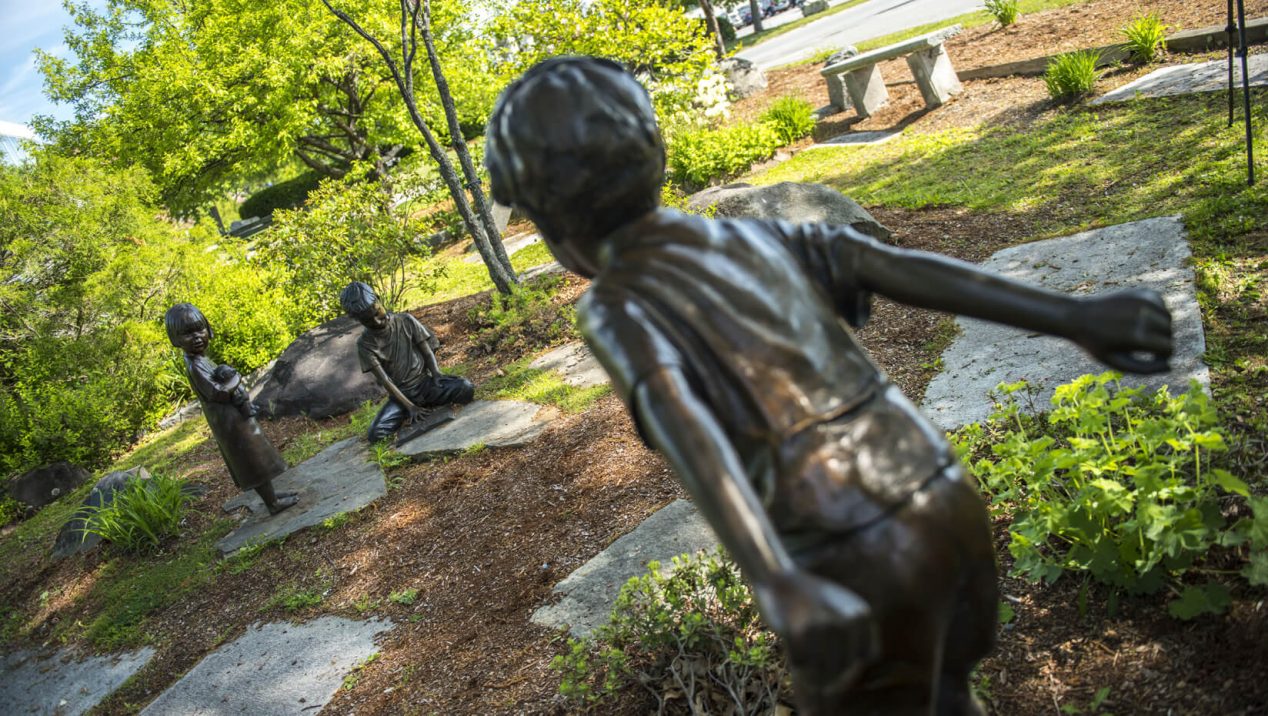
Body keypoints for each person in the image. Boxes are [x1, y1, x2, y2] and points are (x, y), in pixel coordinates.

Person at [483, 57, 1174, 715]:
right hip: (938, 494)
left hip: (846, 548)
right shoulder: (751, 239)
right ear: (652, 156)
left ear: (550, 219)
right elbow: (889, 265)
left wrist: (775, 577)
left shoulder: (614, 304)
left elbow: (682, 419)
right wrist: (1073, 315)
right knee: (948, 696)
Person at [165, 303, 298, 515]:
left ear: (208, 329)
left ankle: (272, 496)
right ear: (175, 340)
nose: (197, 337)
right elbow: (218, 393)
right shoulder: (194, 365)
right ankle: (272, 503)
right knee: (251, 461)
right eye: (187, 334)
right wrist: (236, 379)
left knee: (257, 457)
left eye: (199, 329)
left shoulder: (200, 359)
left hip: (235, 417)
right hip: (229, 423)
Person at [339, 282, 475, 443]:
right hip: (400, 397)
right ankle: (413, 409)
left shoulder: (405, 320)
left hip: (425, 384)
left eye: (377, 313)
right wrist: (410, 407)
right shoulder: (365, 344)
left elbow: (426, 351)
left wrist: (437, 373)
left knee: (465, 388)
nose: (376, 321)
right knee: (376, 434)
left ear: (379, 300)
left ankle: (429, 402)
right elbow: (385, 381)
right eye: (368, 321)